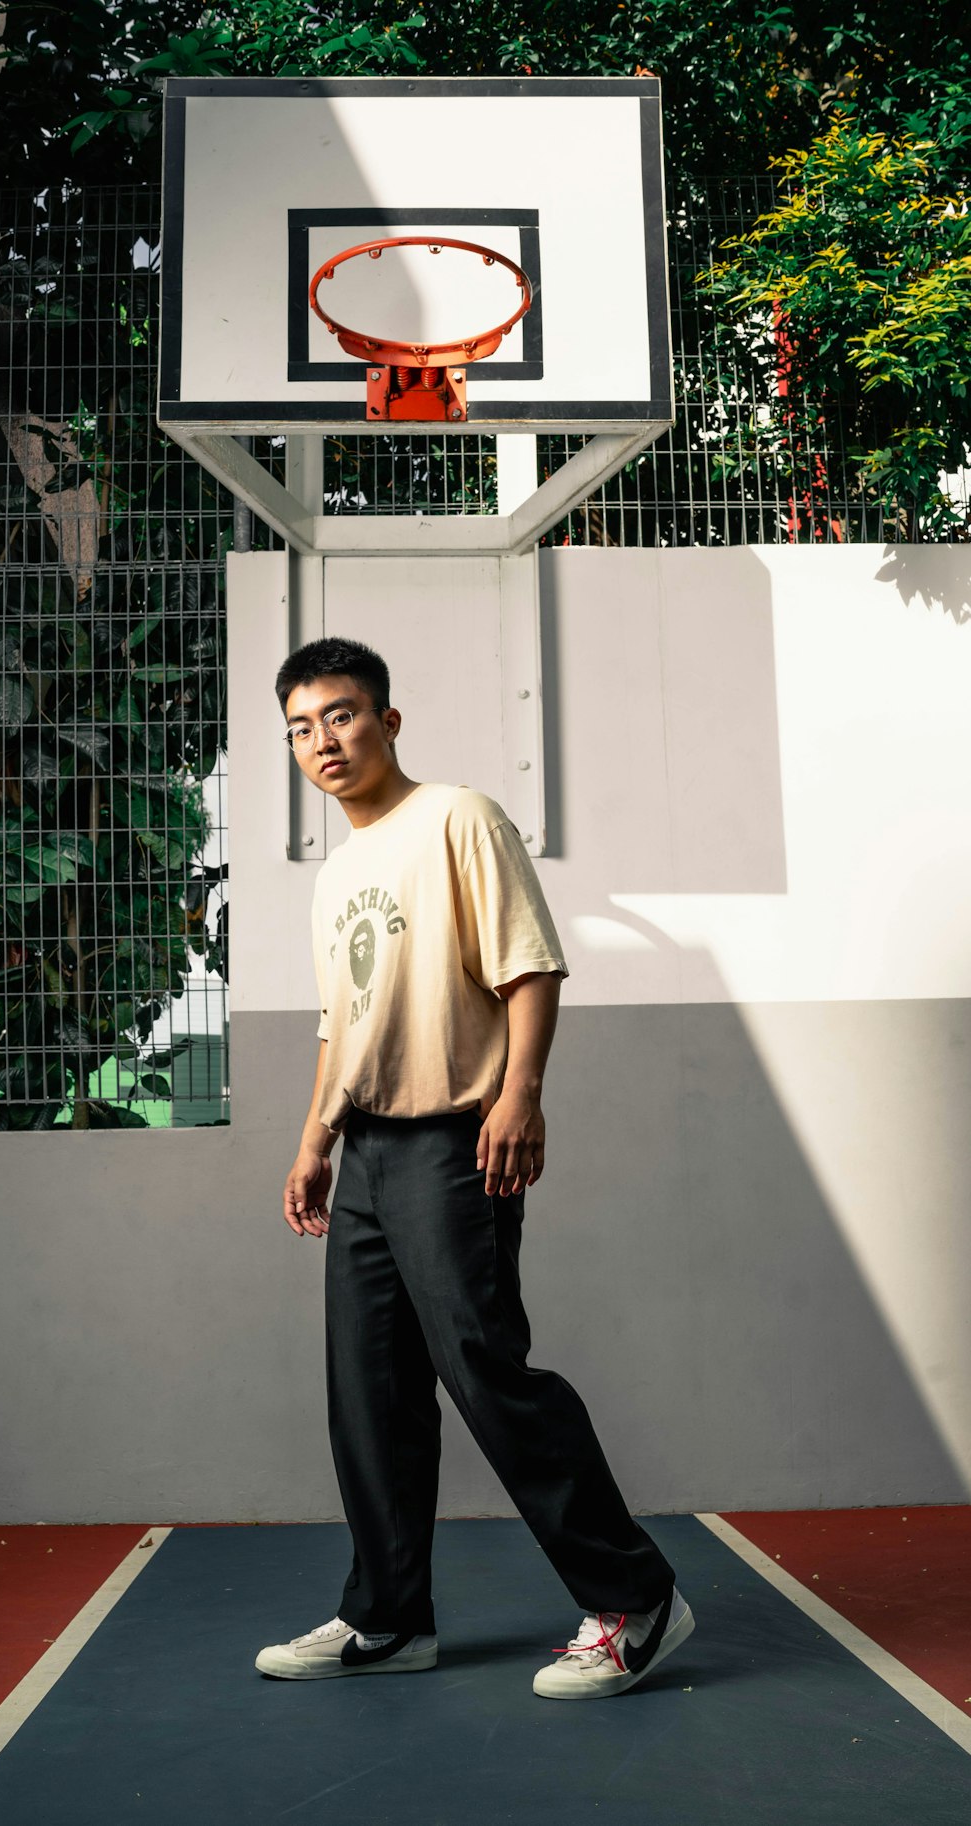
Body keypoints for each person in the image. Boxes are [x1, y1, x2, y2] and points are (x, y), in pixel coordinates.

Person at [255, 637, 694, 1699]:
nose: (324, 741)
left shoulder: (458, 816)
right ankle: (389, 1615)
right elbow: (339, 1023)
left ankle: (637, 1600)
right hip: (366, 1147)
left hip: (456, 1136)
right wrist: (315, 1138)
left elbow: (529, 961)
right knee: (370, 1389)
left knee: (485, 1367)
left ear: (388, 721)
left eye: (342, 715)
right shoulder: (336, 875)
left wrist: (520, 1092)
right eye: (302, 728)